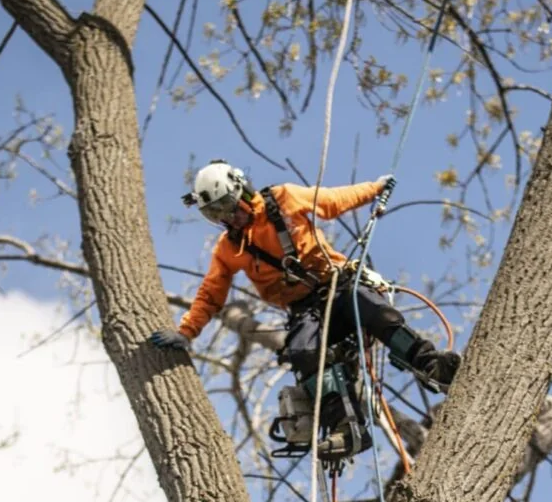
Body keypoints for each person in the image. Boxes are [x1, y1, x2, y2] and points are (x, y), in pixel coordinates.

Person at [149, 159, 460, 458]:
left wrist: (374, 189)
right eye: (218, 215)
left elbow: (332, 200)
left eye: (230, 209)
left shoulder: (284, 199)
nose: (229, 218)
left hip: (337, 286)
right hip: (304, 310)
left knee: (375, 311)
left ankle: (430, 365)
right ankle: (347, 428)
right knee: (303, 353)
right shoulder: (229, 249)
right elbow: (210, 293)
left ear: (241, 192)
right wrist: (186, 332)